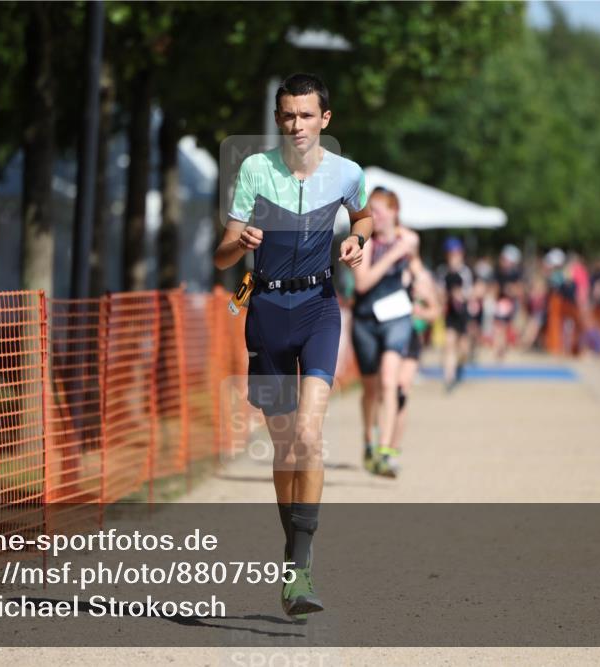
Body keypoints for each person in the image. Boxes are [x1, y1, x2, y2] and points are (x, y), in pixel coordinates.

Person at [213, 73, 371, 619]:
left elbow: (364, 213)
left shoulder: (347, 172)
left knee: (310, 434)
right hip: (265, 314)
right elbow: (222, 257)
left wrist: (358, 238)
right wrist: (242, 240)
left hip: (319, 308)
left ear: (324, 120)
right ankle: (293, 557)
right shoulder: (254, 171)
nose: (296, 124)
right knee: (286, 448)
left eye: (306, 115)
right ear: (278, 119)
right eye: (287, 115)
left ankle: (300, 566)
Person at [350, 187, 418, 477]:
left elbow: (417, 264)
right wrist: (393, 256)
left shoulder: (409, 239)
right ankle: (368, 439)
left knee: (390, 382)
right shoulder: (364, 243)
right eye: (370, 211)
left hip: (397, 319)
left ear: (394, 212)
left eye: (377, 211)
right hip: (365, 319)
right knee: (370, 389)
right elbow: (362, 283)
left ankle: (385, 451)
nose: (372, 217)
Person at [391, 245, 441, 455]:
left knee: (401, 391)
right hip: (387, 336)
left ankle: (392, 447)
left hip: (410, 338)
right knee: (385, 390)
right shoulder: (387, 274)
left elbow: (435, 312)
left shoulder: (421, 280)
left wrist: (417, 312)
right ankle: (379, 437)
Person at [438, 237, 474, 392]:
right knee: (449, 344)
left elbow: (469, 292)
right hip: (450, 314)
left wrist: (461, 295)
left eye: (456, 254)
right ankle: (449, 377)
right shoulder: (443, 272)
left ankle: (459, 366)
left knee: (463, 348)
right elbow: (439, 292)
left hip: (463, 313)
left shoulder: (465, 272)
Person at [493, 244, 524, 361]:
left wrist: (511, 290)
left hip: (510, 303)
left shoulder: (515, 274)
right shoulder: (498, 272)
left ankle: (502, 348)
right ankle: (499, 349)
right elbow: (495, 288)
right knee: (499, 327)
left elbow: (519, 290)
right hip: (501, 302)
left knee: (505, 327)